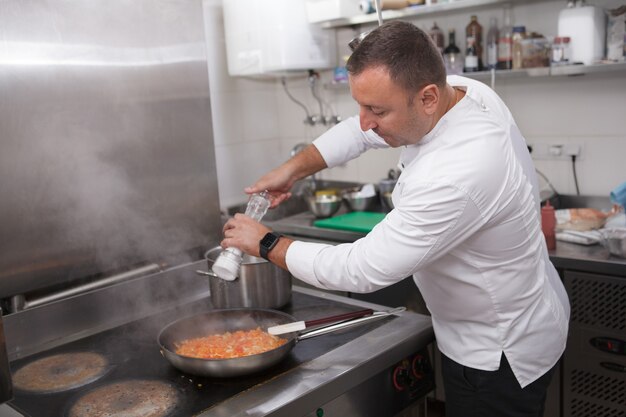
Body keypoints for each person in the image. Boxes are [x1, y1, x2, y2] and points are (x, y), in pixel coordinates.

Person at [221, 21, 569, 417]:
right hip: (523, 314)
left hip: (496, 353)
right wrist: (292, 170)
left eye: (377, 110)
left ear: (427, 98)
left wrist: (266, 242)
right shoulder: (462, 93)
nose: (366, 120)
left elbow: (362, 269)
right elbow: (358, 132)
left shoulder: (458, 172)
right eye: (362, 105)